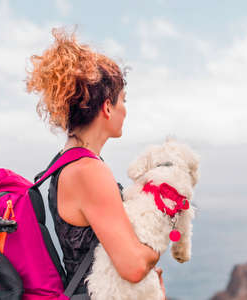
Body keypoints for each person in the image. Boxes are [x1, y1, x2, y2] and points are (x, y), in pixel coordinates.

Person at [25, 28, 166, 299]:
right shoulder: (88, 171)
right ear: (107, 107)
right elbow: (134, 266)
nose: (126, 109)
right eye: (123, 100)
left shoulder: (67, 164)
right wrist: (165, 229)